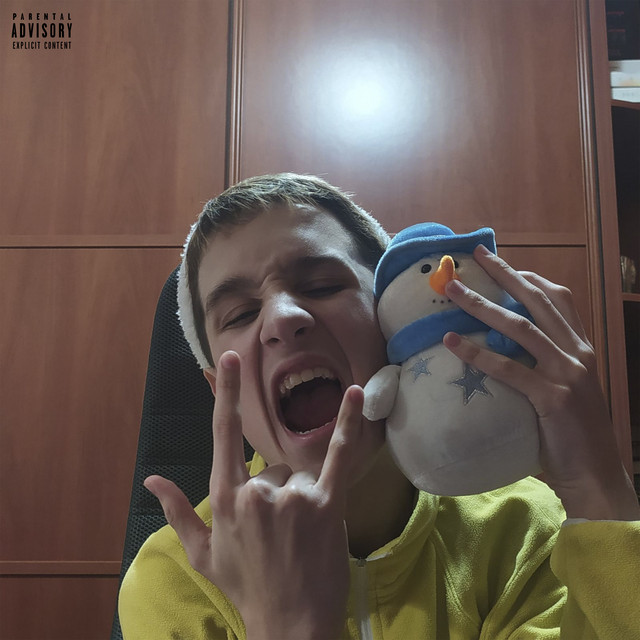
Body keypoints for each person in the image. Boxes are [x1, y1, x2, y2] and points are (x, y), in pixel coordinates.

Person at [119, 173, 640, 639]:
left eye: (322, 285)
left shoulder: (522, 528)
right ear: (220, 392)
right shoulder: (173, 580)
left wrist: (598, 490)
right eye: (238, 314)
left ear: (392, 322)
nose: (282, 318)